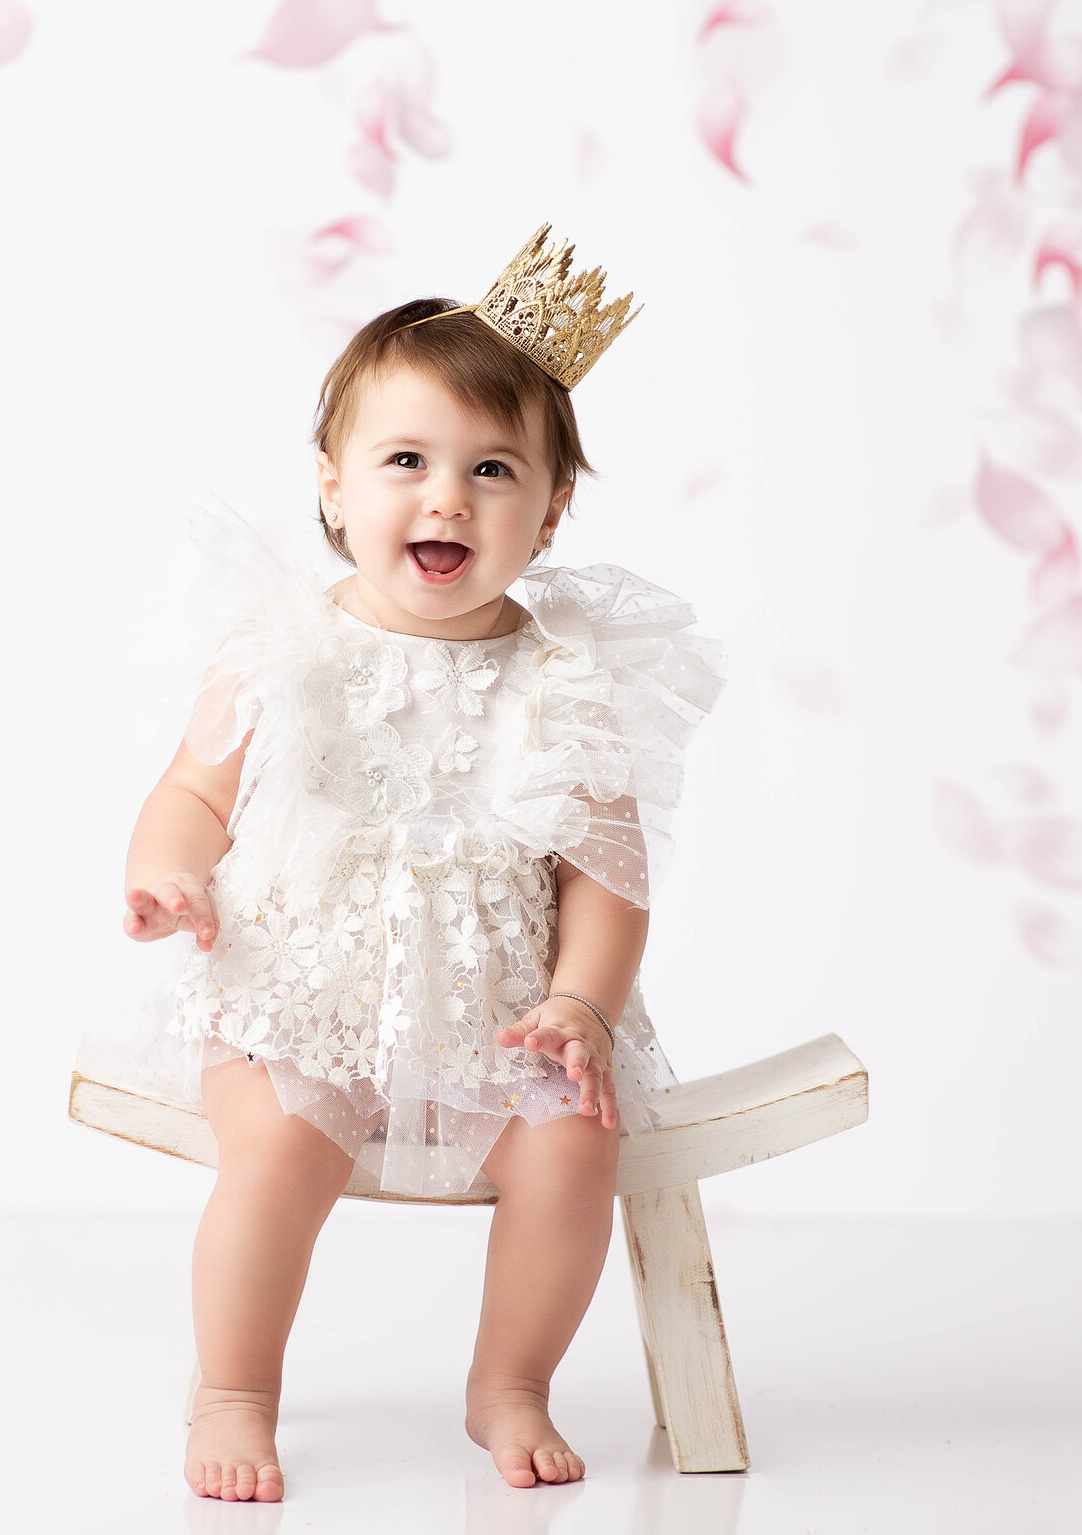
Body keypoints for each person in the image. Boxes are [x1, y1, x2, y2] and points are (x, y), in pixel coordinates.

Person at [112, 226, 725, 1502]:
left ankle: (511, 1377)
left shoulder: (570, 682)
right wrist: (171, 871)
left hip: (505, 1017)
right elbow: (188, 790)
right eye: (406, 461)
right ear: (334, 487)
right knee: (278, 1150)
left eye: (492, 469)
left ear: (551, 510)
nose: (445, 498)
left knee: (570, 1156)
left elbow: (608, 873)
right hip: (301, 993)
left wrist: (579, 1005)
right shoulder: (281, 650)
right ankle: (236, 1387)